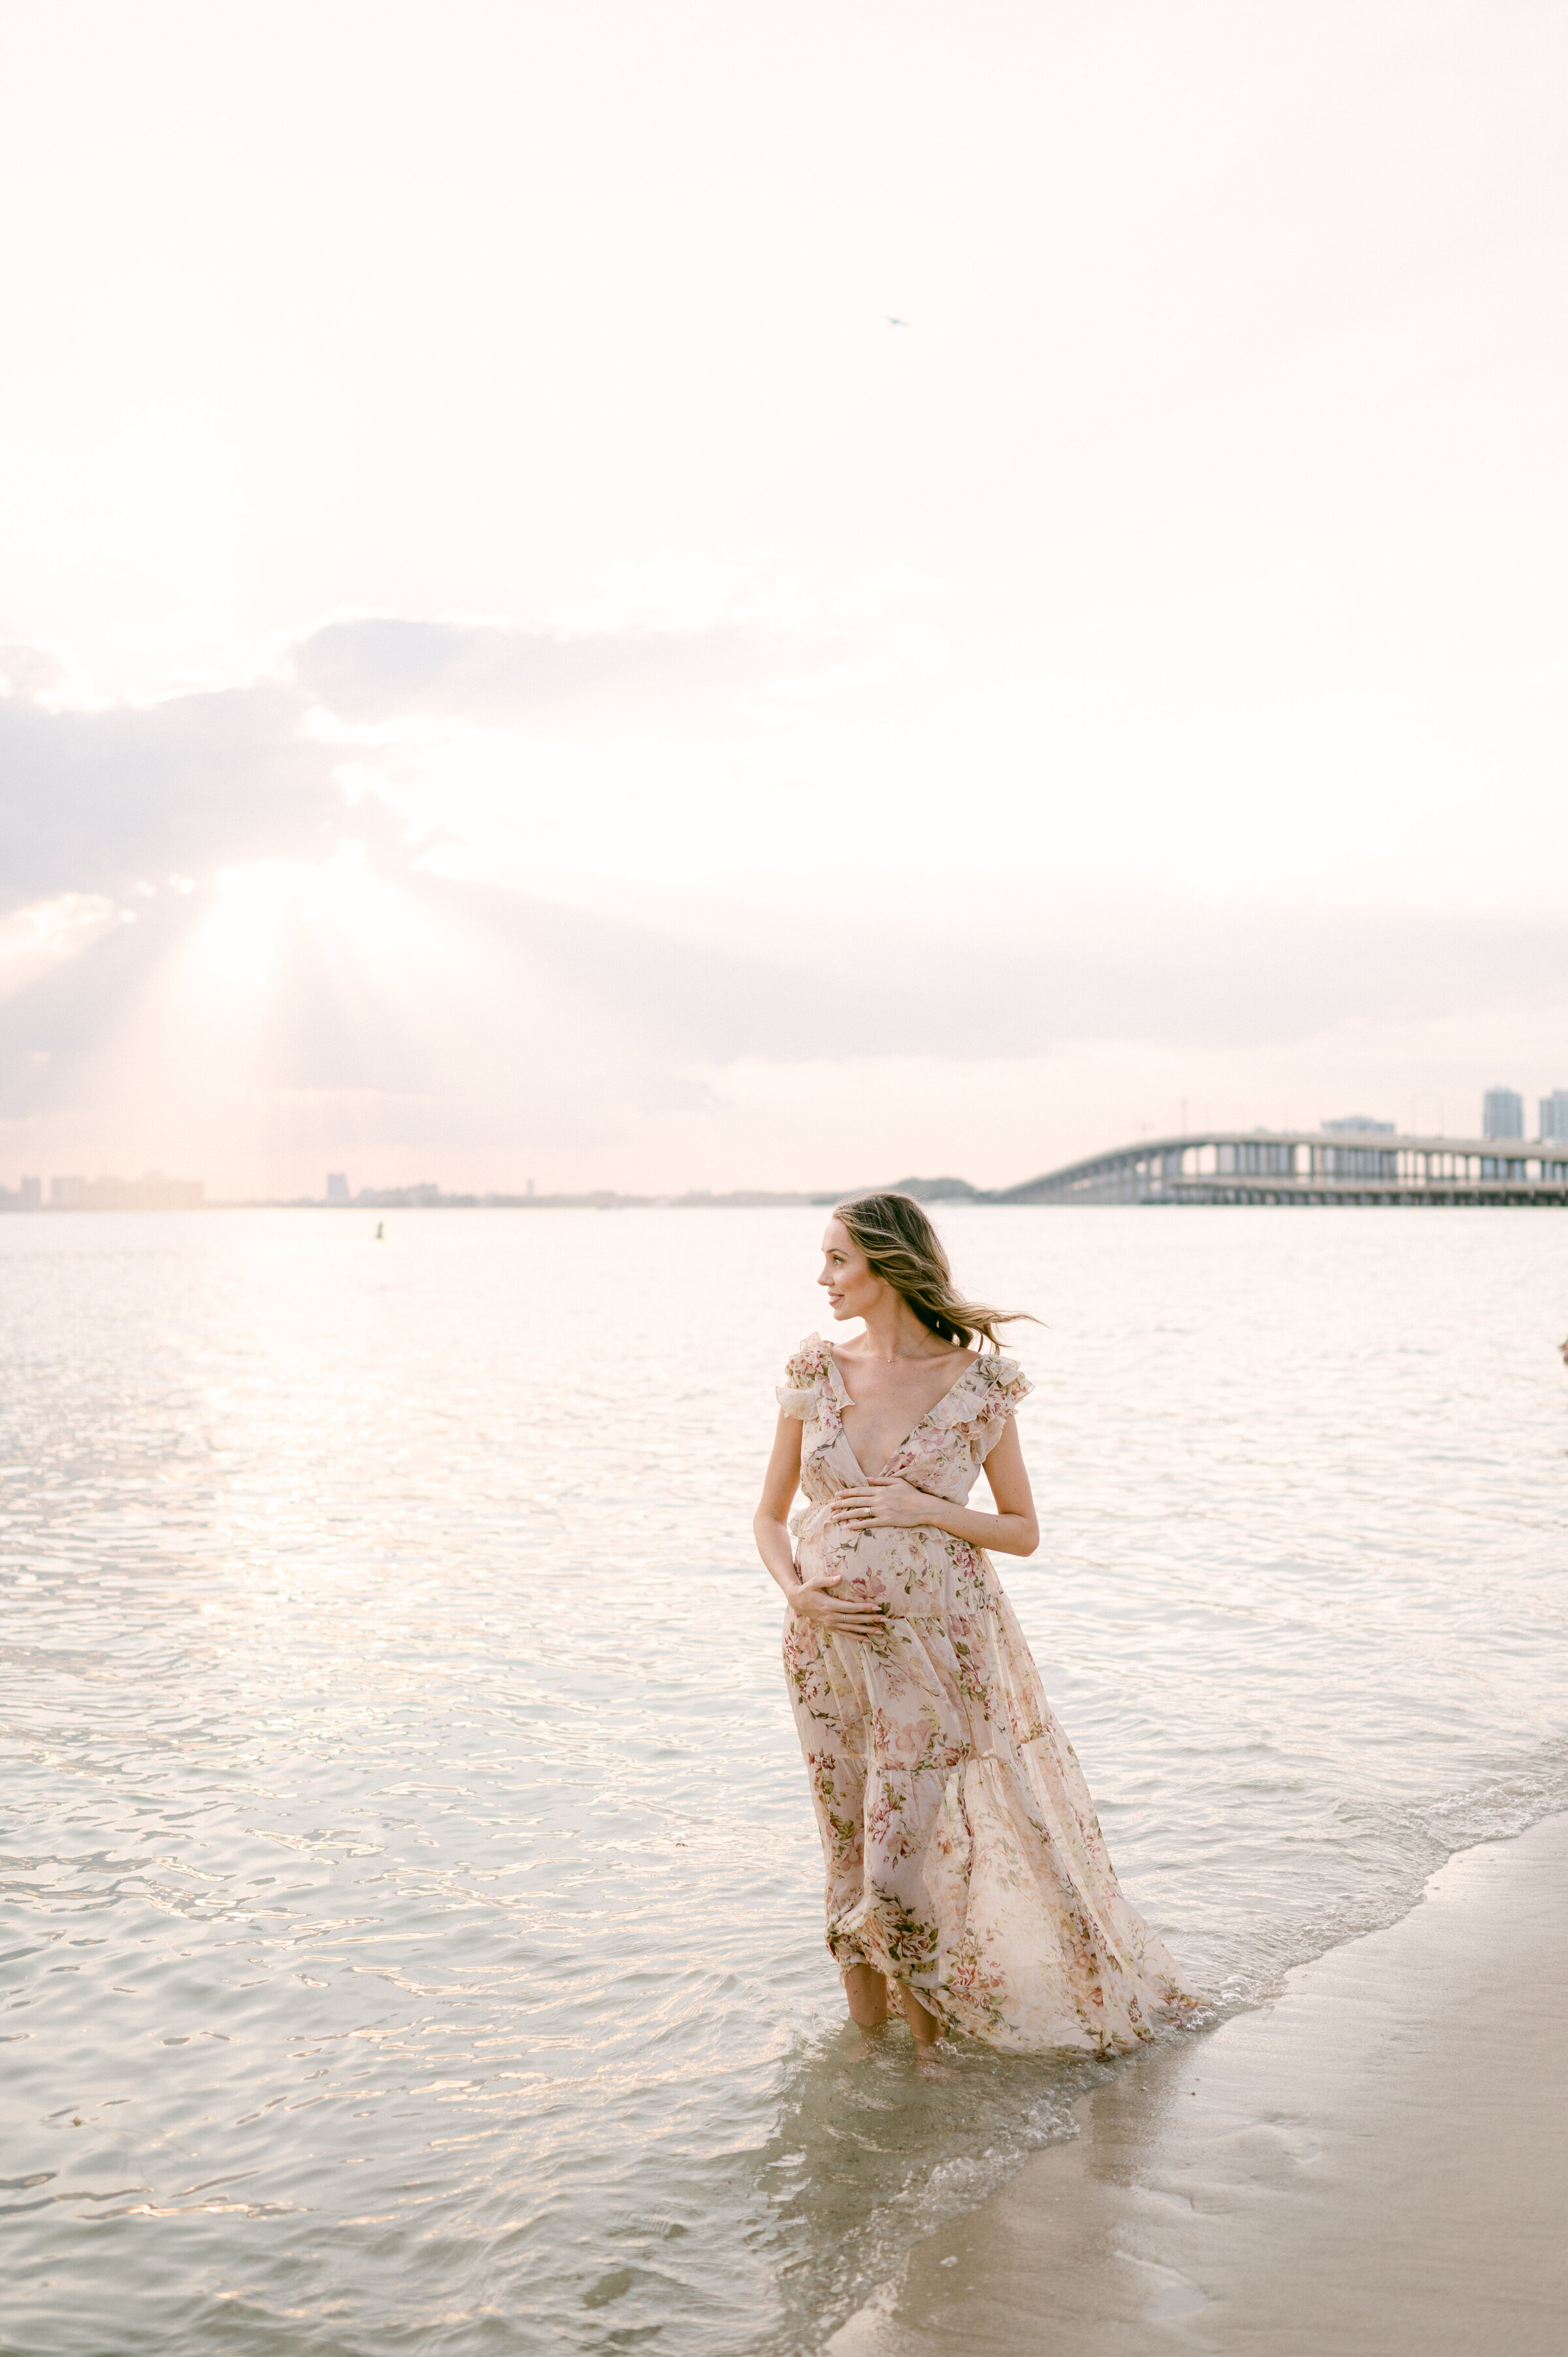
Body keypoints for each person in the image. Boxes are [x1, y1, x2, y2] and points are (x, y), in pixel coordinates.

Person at [754, 1192, 1194, 2058]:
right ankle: (866, 2053)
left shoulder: (976, 1384)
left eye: (838, 1259)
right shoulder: (814, 1372)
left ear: (888, 1265)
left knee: (894, 1867)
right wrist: (796, 1592)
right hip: (825, 1653)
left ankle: (930, 2059)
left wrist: (927, 1507)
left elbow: (1022, 1530)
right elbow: (768, 1517)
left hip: (937, 1654)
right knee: (846, 1849)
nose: (823, 1277)